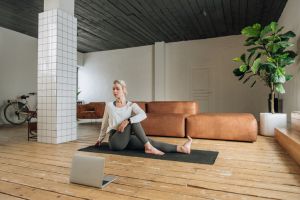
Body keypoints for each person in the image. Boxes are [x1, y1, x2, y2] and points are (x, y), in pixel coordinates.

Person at [95, 80, 193, 155]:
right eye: (113, 89)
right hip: (115, 140)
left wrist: (128, 120)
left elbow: (143, 115)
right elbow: (104, 124)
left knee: (148, 141)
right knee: (133, 121)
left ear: (124, 90)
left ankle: (182, 148)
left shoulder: (131, 105)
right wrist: (100, 139)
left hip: (126, 138)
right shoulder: (109, 105)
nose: (115, 91)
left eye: (117, 88)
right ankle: (149, 147)